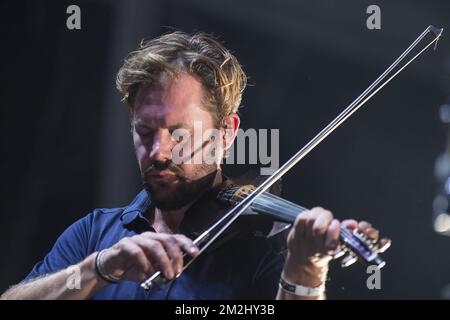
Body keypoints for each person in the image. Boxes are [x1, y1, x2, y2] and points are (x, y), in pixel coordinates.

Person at [1, 31, 379, 300]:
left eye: (178, 133)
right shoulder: (94, 235)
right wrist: (95, 270)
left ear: (227, 133)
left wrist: (305, 270)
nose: (159, 151)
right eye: (145, 132)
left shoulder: (267, 253)